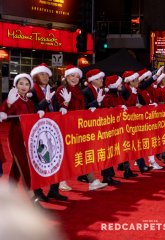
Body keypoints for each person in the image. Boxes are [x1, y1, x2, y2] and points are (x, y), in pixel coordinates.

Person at [55, 65, 107, 191]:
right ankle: (61, 181)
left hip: (78, 127)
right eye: (72, 76)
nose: (75, 79)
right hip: (65, 128)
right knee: (66, 155)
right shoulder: (61, 90)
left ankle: (92, 181)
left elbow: (82, 108)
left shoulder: (78, 90)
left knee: (83, 154)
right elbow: (58, 109)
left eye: (77, 76)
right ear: (66, 76)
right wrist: (64, 104)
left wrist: (94, 105)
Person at [0, 73, 45, 205]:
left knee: (15, 168)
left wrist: (38, 114)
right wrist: (7, 105)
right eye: (21, 83)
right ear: (16, 85)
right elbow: (4, 113)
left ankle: (7, 195)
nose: (24, 86)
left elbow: (32, 117)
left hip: (29, 137)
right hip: (16, 137)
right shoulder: (12, 99)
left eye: (27, 84)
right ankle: (32, 198)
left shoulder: (30, 102)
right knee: (24, 165)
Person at [30, 63, 68, 201]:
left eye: (46, 74)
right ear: (35, 76)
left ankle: (54, 190)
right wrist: (44, 102)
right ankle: (38, 192)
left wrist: (63, 107)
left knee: (56, 159)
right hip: (38, 132)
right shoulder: (32, 91)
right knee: (39, 161)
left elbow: (55, 106)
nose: (45, 77)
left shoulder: (50, 89)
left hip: (52, 129)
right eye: (42, 74)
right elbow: (33, 109)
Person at [82, 68, 121, 185]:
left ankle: (107, 176)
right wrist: (96, 103)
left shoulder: (101, 90)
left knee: (105, 151)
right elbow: (84, 107)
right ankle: (88, 175)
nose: (101, 80)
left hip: (101, 126)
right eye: (99, 78)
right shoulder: (86, 91)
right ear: (92, 80)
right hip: (89, 127)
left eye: (101, 78)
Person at [102, 74, 139, 179]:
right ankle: (108, 176)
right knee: (110, 151)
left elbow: (127, 105)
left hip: (120, 127)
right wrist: (118, 107)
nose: (121, 85)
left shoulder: (118, 95)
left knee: (124, 148)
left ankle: (127, 170)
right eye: (119, 84)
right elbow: (108, 110)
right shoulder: (108, 97)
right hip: (111, 129)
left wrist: (133, 95)